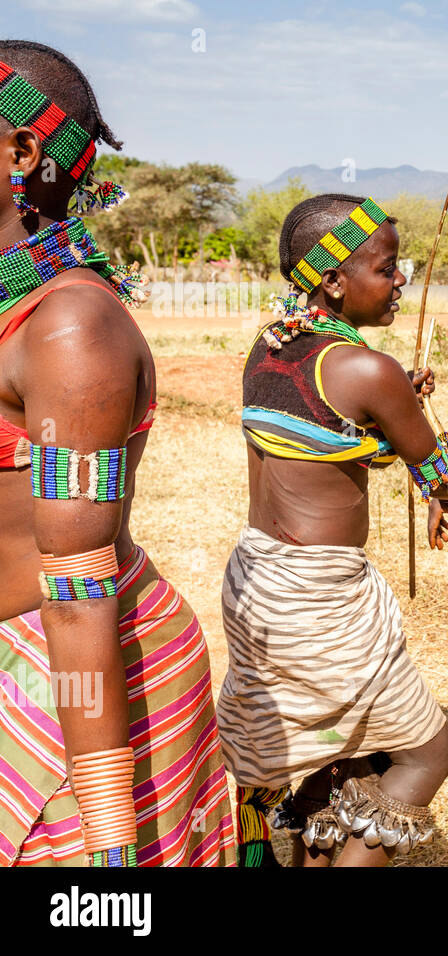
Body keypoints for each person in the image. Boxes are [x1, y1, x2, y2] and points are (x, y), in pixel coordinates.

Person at [0, 41, 236, 867]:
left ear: (21, 152)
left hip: (75, 688)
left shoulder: (69, 330)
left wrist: (110, 837)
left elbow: (75, 583)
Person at [218, 193, 448, 867]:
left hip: (255, 581)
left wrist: (391, 411)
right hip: (319, 599)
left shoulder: (270, 350)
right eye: (387, 268)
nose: (400, 282)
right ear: (333, 280)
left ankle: (306, 838)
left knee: (336, 750)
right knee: (428, 751)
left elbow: (328, 438)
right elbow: (438, 472)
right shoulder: (367, 369)